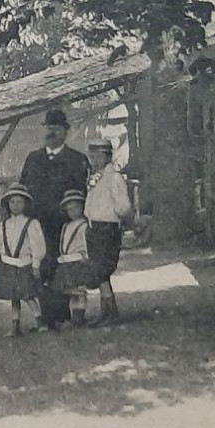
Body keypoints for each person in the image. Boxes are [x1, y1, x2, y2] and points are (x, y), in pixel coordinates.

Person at [18, 109, 91, 326]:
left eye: (56, 129)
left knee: (64, 268)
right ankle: (48, 317)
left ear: (65, 132)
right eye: (48, 128)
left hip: (64, 226)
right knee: (41, 268)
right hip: (38, 225)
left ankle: (64, 314)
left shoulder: (76, 160)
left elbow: (81, 194)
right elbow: (23, 190)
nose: (52, 133)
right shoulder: (33, 159)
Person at [84, 138, 133, 326]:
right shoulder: (97, 177)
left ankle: (111, 312)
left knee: (102, 270)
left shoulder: (114, 177)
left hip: (107, 228)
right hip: (94, 227)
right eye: (92, 157)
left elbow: (123, 206)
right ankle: (106, 312)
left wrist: (121, 218)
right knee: (98, 271)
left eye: (98, 157)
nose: (94, 161)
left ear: (108, 157)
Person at [0, 184, 46, 338]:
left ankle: (40, 322)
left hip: (24, 264)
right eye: (12, 202)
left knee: (28, 296)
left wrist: (36, 264)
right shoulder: (4, 224)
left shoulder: (31, 223)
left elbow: (37, 246)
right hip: (8, 265)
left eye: (19, 202)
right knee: (13, 297)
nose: (15, 205)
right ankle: (15, 325)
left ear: (25, 204)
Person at [54, 190, 94, 326]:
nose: (72, 212)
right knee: (70, 291)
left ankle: (79, 317)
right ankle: (74, 316)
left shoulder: (84, 225)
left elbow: (86, 243)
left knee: (80, 291)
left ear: (82, 208)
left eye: (76, 208)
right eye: (69, 209)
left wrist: (86, 257)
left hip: (78, 261)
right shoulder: (66, 226)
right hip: (66, 261)